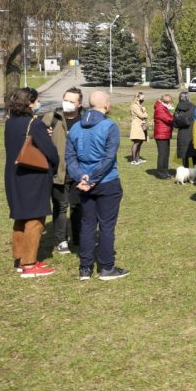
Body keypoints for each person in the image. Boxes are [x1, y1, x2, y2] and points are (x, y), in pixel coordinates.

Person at [65, 90, 129, 280]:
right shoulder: (110, 126)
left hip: (85, 182)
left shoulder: (75, 127)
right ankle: (107, 267)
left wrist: (81, 177)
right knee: (106, 226)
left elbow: (70, 157)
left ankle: (85, 268)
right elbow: (108, 158)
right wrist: (90, 179)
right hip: (106, 182)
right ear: (106, 105)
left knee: (87, 224)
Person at [5, 87, 59, 277]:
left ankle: (20, 258)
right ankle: (29, 264)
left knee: (20, 216)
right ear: (29, 102)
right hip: (33, 176)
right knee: (36, 218)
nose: (38, 104)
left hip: (13, 174)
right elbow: (50, 152)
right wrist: (55, 162)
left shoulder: (10, 123)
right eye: (36, 100)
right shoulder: (35, 124)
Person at [43, 87, 84, 255]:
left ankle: (78, 237)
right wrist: (44, 133)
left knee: (78, 206)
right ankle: (61, 240)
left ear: (79, 104)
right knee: (60, 206)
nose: (67, 103)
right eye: (65, 99)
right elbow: (32, 138)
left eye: (72, 101)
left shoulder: (85, 119)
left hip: (79, 171)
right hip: (58, 170)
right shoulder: (51, 118)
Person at [153, 93, 175, 179]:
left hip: (165, 133)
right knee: (162, 154)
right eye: (169, 102)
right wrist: (174, 116)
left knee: (166, 154)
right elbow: (169, 119)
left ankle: (165, 171)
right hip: (161, 134)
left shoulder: (163, 107)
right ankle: (161, 172)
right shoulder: (160, 108)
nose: (170, 103)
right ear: (164, 101)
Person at [174, 92, 196, 168]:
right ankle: (195, 174)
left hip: (182, 133)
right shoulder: (193, 107)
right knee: (194, 155)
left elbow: (175, 123)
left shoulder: (178, 108)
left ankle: (185, 173)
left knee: (184, 155)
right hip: (192, 132)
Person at [129, 91, 148, 165]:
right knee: (136, 142)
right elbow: (142, 115)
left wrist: (143, 111)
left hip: (141, 125)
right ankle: (133, 160)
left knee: (140, 142)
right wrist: (145, 112)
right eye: (142, 98)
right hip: (136, 125)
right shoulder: (134, 106)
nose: (143, 99)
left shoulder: (140, 106)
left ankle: (138, 158)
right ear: (137, 98)